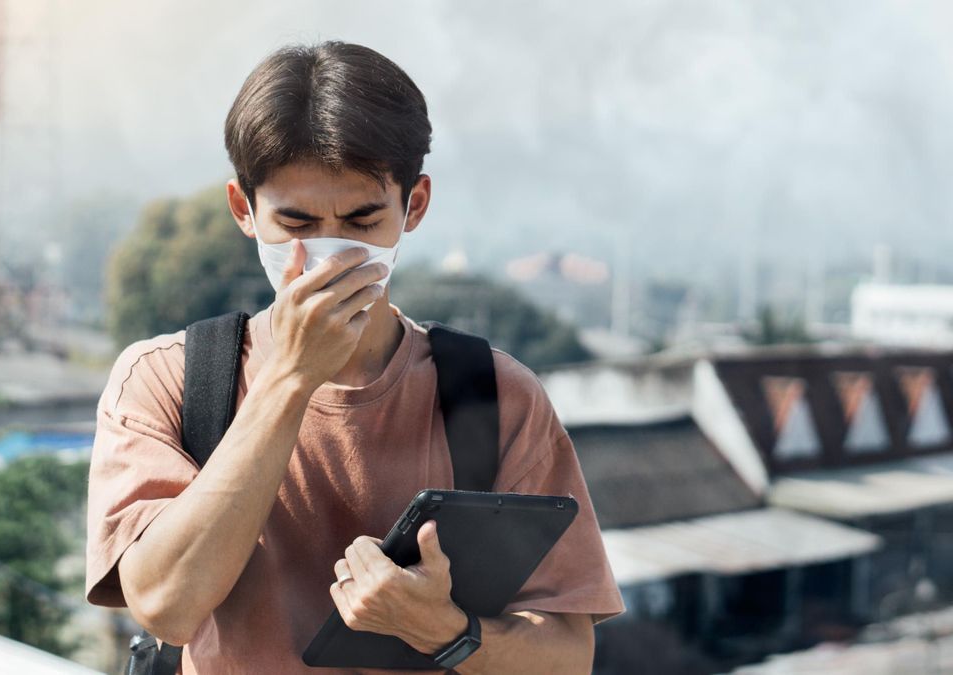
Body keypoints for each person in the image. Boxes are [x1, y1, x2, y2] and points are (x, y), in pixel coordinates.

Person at [84, 41, 625, 674]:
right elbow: (164, 605)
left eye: (362, 221)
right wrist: (289, 380)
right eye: (297, 224)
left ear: (413, 205)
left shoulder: (496, 395)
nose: (330, 254)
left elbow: (566, 658)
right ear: (244, 211)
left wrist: (442, 630)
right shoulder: (167, 381)